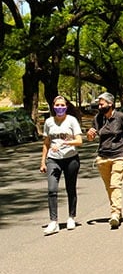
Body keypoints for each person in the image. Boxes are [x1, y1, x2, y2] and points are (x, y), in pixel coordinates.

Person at [86, 92, 123, 229]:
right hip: (103, 157)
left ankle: (115, 214)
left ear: (110, 104)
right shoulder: (98, 118)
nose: (99, 106)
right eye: (99, 104)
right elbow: (91, 138)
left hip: (119, 155)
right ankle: (117, 210)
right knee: (109, 188)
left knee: (115, 185)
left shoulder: (120, 117)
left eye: (102, 104)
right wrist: (89, 135)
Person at [40, 95, 83, 235]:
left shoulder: (72, 120)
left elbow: (79, 141)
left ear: (66, 106)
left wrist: (66, 143)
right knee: (52, 189)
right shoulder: (48, 122)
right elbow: (46, 143)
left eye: (62, 105)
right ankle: (53, 222)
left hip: (71, 159)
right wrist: (43, 161)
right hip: (54, 159)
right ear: (53, 106)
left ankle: (71, 217)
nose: (59, 108)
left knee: (71, 189)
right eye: (57, 105)